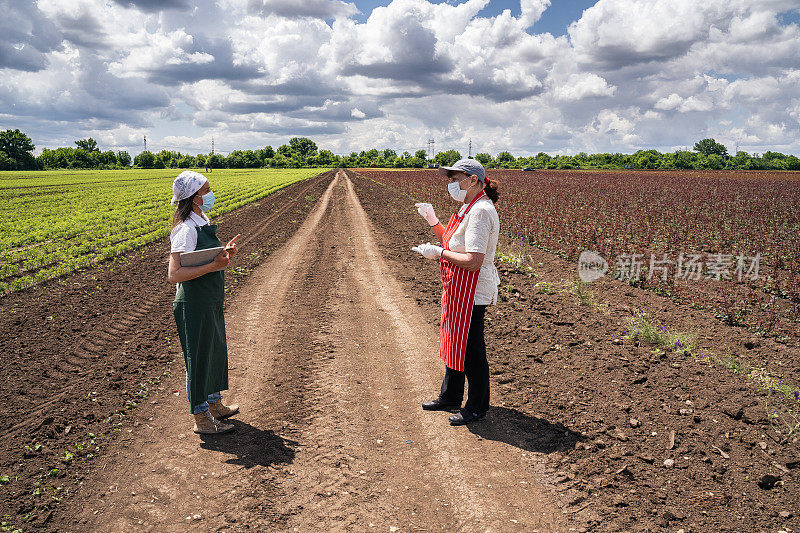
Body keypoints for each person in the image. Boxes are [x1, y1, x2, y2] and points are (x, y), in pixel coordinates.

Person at [412, 158, 500, 426]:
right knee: (454, 339)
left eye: (454, 179)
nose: (450, 184)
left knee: (471, 348)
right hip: (458, 287)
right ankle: (450, 396)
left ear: (473, 180)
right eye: (449, 179)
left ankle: (476, 407)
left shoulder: (481, 211)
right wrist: (433, 221)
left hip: (472, 290)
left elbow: (473, 260)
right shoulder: (467, 208)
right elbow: (453, 244)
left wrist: (438, 253)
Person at [168, 170, 240, 434]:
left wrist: (222, 255)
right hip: (193, 303)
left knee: (214, 350)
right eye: (206, 190)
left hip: (209, 298)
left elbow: (203, 260)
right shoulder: (185, 230)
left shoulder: (202, 221)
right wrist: (214, 265)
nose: (210, 194)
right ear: (194, 197)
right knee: (197, 359)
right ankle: (201, 418)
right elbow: (174, 274)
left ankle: (214, 404)